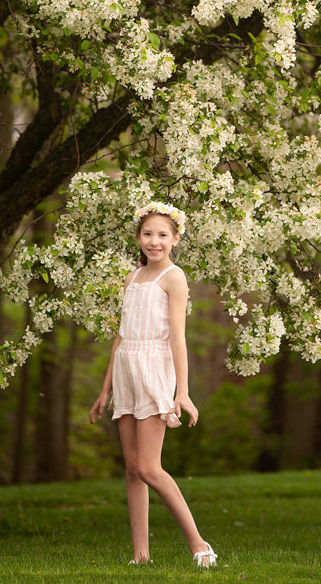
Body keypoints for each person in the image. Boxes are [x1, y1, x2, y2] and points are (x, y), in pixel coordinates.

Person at [89, 201, 217, 568]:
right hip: (126, 371)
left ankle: (199, 543)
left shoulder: (173, 278)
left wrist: (183, 392)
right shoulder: (132, 278)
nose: (154, 241)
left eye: (163, 235)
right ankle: (140, 556)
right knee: (132, 468)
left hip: (153, 371)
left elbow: (177, 337)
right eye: (148, 234)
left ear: (176, 238)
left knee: (149, 467)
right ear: (138, 237)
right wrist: (106, 389)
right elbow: (121, 336)